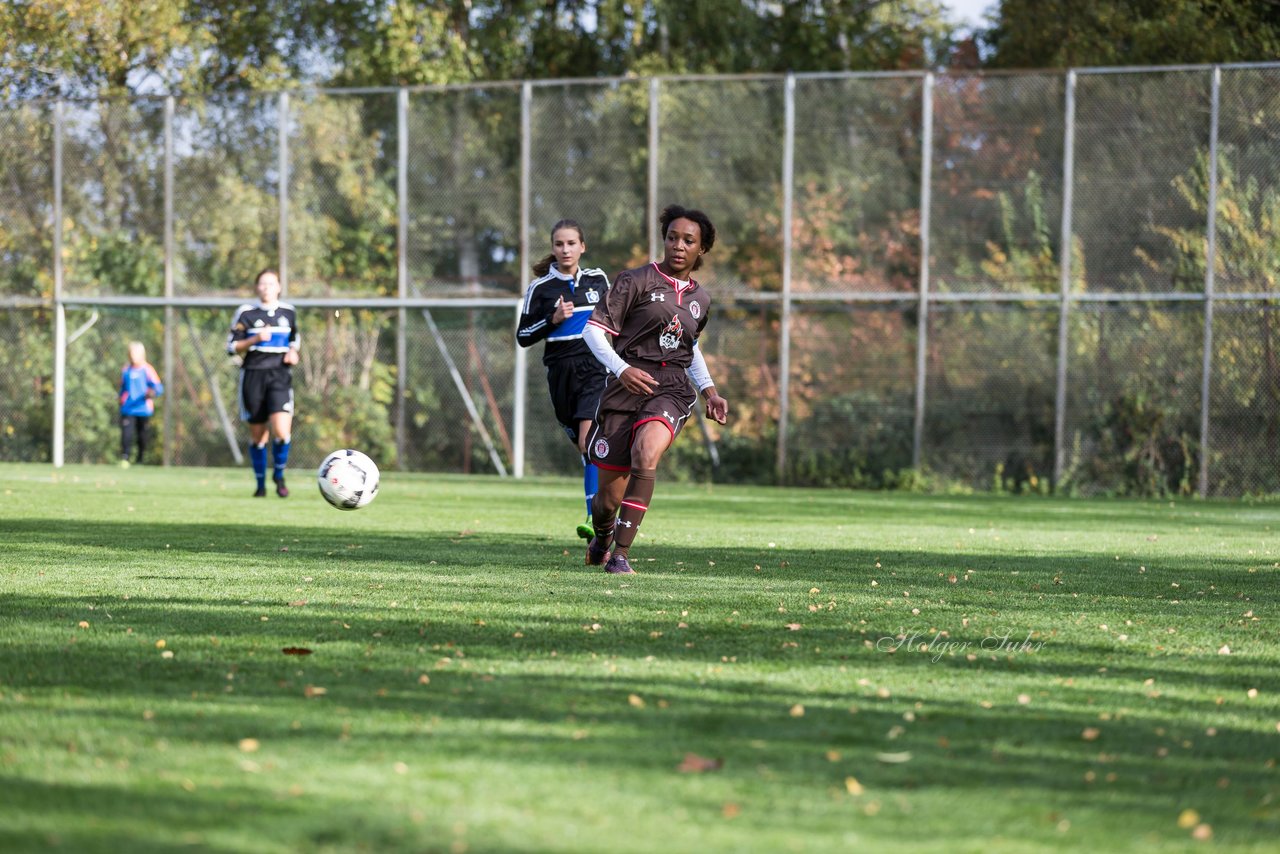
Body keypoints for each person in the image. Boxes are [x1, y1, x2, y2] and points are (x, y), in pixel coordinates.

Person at [581, 204, 729, 575]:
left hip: (671, 389)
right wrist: (622, 368)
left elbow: (687, 346)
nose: (678, 245)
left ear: (702, 249)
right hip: (625, 385)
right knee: (606, 502)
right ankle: (603, 537)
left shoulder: (701, 300)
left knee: (646, 452)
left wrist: (710, 392)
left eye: (688, 240)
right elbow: (592, 331)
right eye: (672, 237)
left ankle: (621, 555)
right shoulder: (634, 281)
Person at [517, 219, 612, 539]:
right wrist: (553, 319)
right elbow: (523, 335)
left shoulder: (598, 280)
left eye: (571, 243)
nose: (565, 249)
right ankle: (605, 499)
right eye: (559, 244)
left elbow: (618, 318)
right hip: (560, 373)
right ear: (553, 248)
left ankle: (595, 516)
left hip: (595, 368)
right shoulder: (541, 289)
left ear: (582, 246)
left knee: (589, 443)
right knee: (585, 449)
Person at [226, 269, 299, 497]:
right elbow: (231, 347)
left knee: (281, 431)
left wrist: (293, 352)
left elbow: (294, 339)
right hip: (254, 375)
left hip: (279, 376)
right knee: (259, 436)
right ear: (257, 288)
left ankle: (279, 474)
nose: (267, 287)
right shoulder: (246, 313)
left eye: (271, 283)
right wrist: (255, 339)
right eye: (262, 284)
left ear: (279, 286)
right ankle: (260, 484)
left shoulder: (289, 312)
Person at [118, 341, 163, 467]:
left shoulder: (147, 369)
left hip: (143, 408)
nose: (132, 355)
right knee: (126, 434)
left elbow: (159, 388)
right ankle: (125, 458)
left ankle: (140, 459)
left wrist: (152, 393)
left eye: (135, 353)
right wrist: (120, 398)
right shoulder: (126, 370)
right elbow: (122, 388)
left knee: (142, 436)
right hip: (128, 409)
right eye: (130, 353)